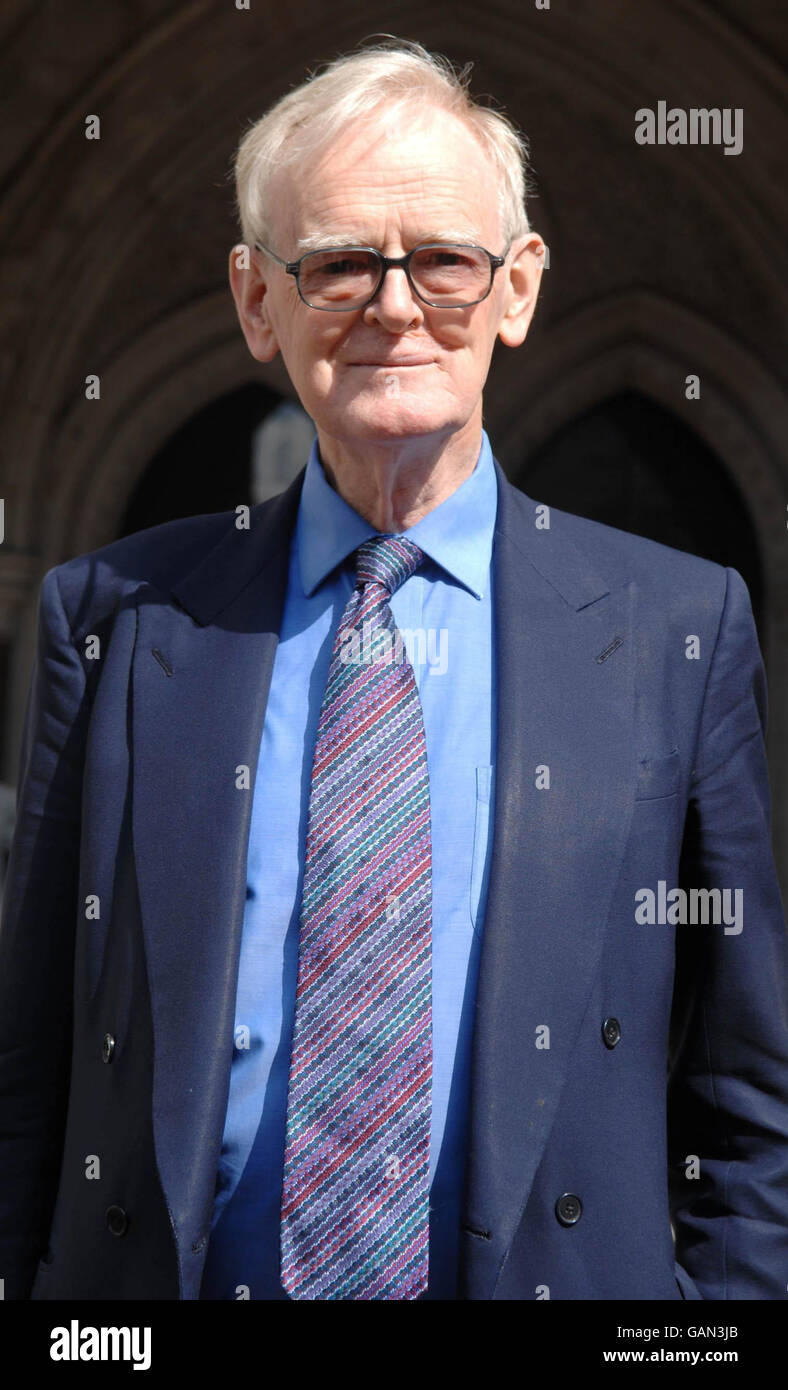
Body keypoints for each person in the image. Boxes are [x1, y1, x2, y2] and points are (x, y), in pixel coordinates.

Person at [1, 38, 786, 1303]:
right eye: (336, 265)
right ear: (259, 302)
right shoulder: (118, 617)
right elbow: (31, 1052)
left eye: (442, 262)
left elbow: (746, 1085)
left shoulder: (674, 627)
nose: (393, 306)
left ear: (515, 290)